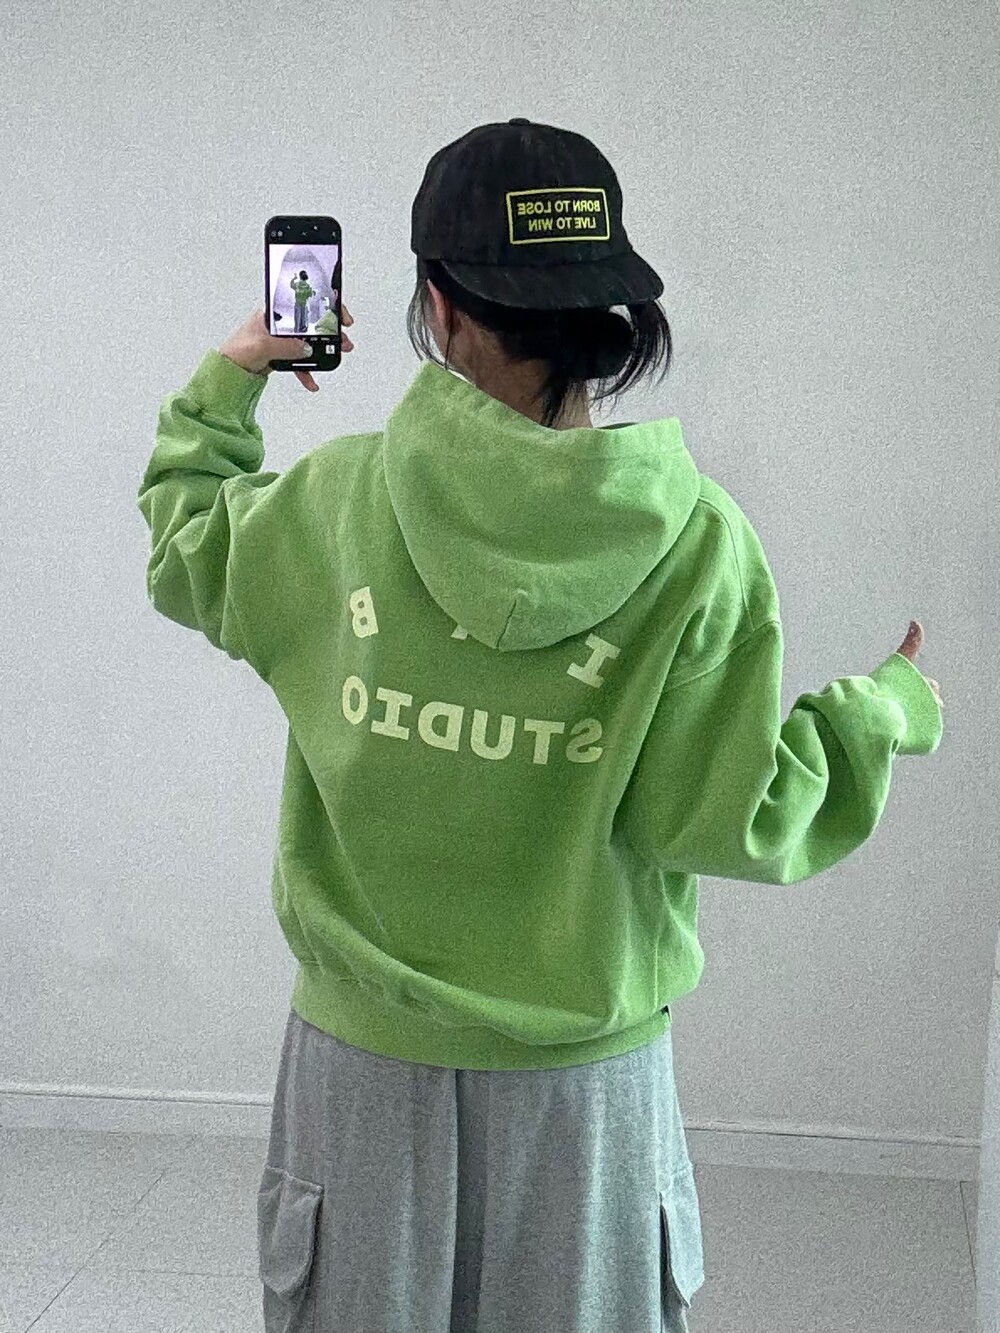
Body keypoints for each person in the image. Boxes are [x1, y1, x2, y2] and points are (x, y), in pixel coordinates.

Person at [137, 118, 943, 1333]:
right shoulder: (698, 544)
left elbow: (187, 539)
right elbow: (732, 815)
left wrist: (236, 371)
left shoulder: (333, 501)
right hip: (585, 1093)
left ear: (438, 305)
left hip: (361, 1078)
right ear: (608, 311)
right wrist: (880, 710)